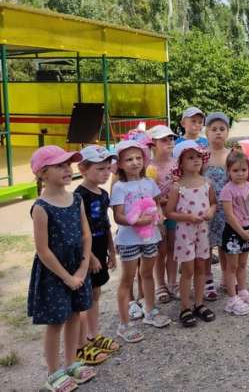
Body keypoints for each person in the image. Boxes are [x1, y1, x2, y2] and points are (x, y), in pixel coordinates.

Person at [28, 146, 97, 391]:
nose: (67, 169)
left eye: (68, 165)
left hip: (77, 269)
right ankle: (53, 372)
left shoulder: (76, 199)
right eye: (60, 166)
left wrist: (83, 266)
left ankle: (71, 363)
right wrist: (67, 277)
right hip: (55, 274)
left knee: (75, 315)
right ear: (43, 173)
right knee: (56, 322)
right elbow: (43, 250)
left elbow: (86, 235)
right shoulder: (41, 207)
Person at [111, 140, 171, 343]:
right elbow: (117, 216)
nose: (135, 162)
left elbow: (156, 205)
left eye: (138, 158)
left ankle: (150, 311)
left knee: (147, 273)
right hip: (129, 239)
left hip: (151, 236)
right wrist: (135, 220)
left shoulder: (149, 183)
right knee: (127, 279)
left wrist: (159, 216)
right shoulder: (119, 187)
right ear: (119, 163)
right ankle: (124, 323)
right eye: (128, 159)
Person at [75, 146, 120, 366]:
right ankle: (80, 345)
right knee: (83, 300)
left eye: (108, 168)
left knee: (95, 294)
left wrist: (111, 251)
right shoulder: (78, 196)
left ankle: (93, 335)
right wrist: (90, 257)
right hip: (85, 254)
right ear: (83, 168)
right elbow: (78, 232)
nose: (106, 173)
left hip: (101, 247)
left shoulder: (103, 195)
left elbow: (104, 223)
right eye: (100, 168)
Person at [165, 140, 217, 327]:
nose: (196, 161)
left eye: (198, 157)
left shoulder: (206, 183)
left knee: (202, 266)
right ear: (180, 162)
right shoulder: (177, 187)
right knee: (187, 269)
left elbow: (213, 203)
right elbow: (168, 212)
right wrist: (186, 216)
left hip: (202, 231)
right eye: (190, 157)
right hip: (185, 232)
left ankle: (199, 303)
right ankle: (185, 307)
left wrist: (211, 211)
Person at [220, 150, 249, 315]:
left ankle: (242, 291)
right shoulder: (227, 190)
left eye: (243, 170)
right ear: (229, 171)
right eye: (235, 170)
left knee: (243, 264)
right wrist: (242, 233)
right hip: (233, 232)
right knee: (232, 266)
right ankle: (232, 299)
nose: (240, 174)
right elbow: (229, 216)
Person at [146, 125, 179, 302]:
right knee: (161, 250)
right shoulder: (149, 167)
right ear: (153, 144)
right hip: (157, 216)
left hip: (174, 213)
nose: (169, 142)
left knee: (174, 247)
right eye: (164, 140)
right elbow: (146, 194)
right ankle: (160, 284)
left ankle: (173, 283)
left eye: (171, 139)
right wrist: (161, 200)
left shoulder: (176, 163)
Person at [203, 112, 232, 300]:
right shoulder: (202, 156)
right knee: (206, 245)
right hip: (206, 209)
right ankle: (207, 280)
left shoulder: (232, 155)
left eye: (222, 129)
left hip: (227, 210)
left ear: (228, 132)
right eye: (214, 129)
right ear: (206, 132)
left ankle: (226, 277)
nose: (218, 133)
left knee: (224, 245)